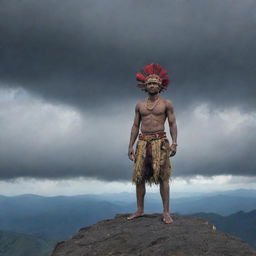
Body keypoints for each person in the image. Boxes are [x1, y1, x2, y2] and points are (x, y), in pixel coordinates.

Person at [127, 63, 178, 224]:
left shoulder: (166, 104)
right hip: (143, 143)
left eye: (155, 83)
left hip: (160, 142)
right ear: (145, 86)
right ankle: (140, 209)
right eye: (149, 83)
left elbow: (172, 124)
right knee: (139, 177)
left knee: (163, 177)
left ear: (160, 85)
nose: (152, 85)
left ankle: (166, 212)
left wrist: (175, 143)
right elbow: (135, 125)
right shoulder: (139, 106)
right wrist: (130, 146)